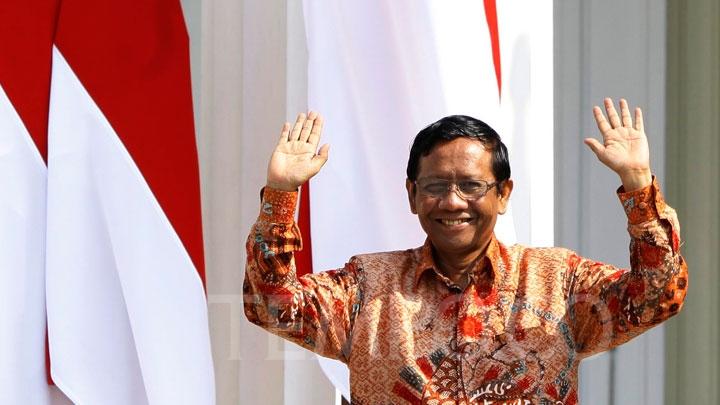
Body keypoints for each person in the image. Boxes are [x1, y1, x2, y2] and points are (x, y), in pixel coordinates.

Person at [243, 99, 687, 404]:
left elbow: (657, 296)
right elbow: (271, 304)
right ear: (413, 194)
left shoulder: (559, 281)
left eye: (472, 186)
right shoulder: (367, 286)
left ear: (503, 194)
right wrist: (281, 192)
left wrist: (638, 185)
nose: (453, 202)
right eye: (436, 186)